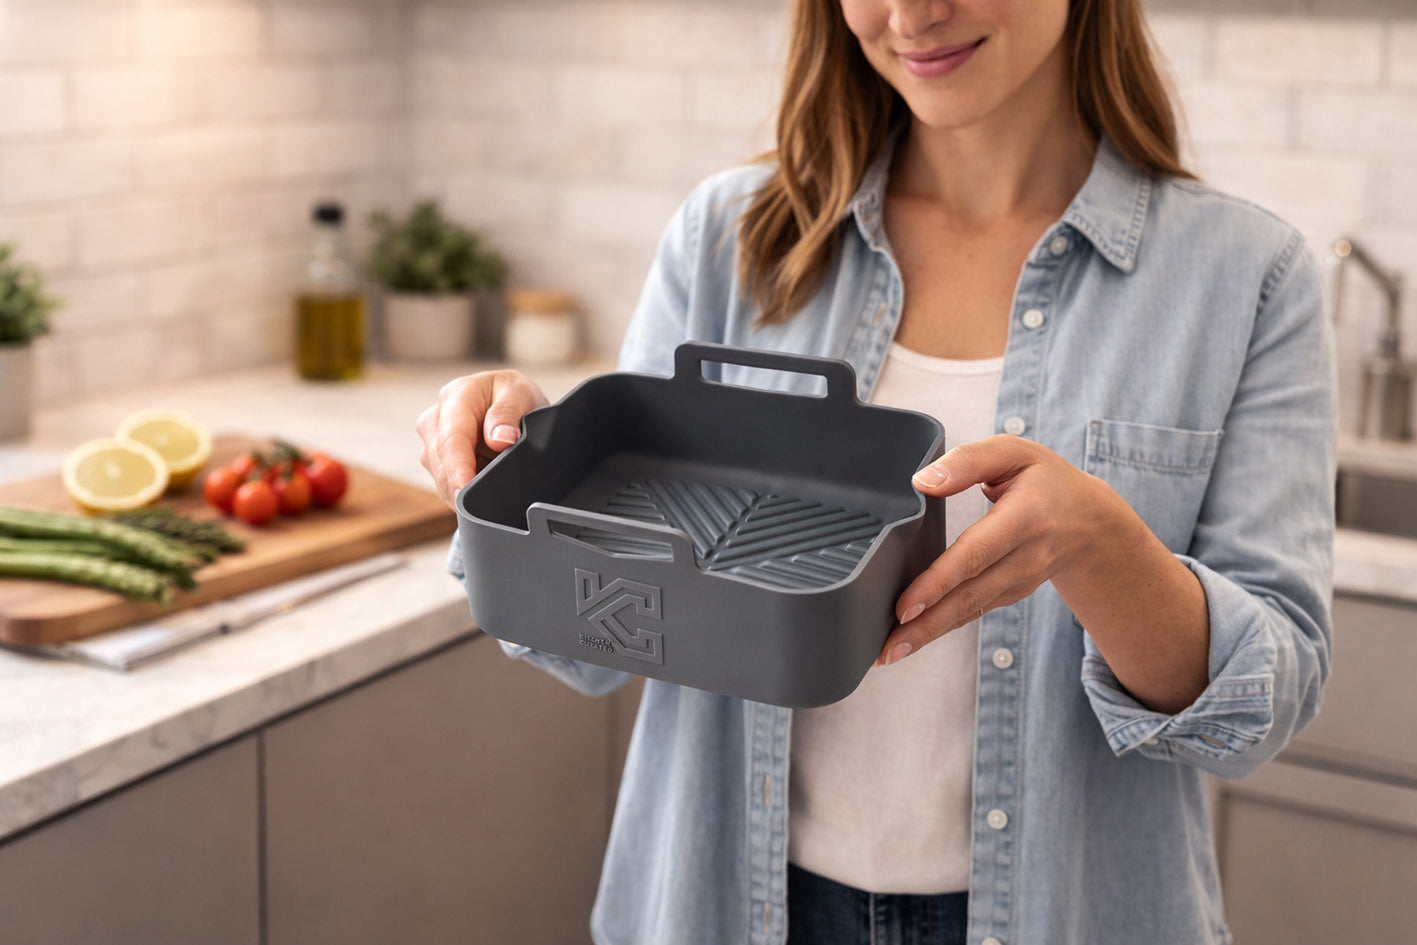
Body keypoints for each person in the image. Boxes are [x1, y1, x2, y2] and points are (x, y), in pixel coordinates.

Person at [417, 1, 1336, 943]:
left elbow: (1263, 702)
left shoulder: (1242, 278)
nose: (913, 14)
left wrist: (1101, 549)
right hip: (722, 902)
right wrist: (516, 473)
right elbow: (593, 637)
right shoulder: (728, 238)